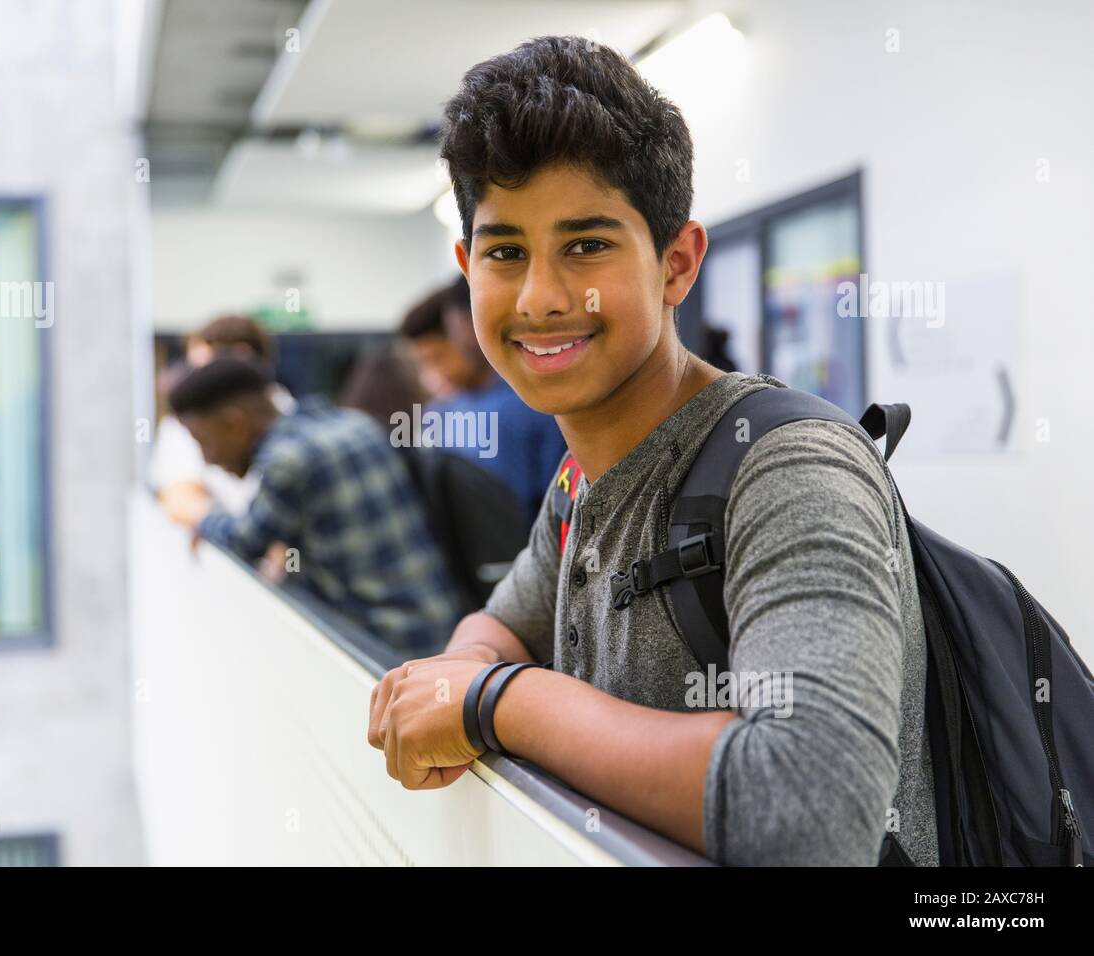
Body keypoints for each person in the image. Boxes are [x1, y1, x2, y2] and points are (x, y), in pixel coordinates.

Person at [367, 36, 938, 867]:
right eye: (505, 253)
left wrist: (497, 703)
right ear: (466, 268)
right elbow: (502, 625)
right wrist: (462, 673)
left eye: (588, 245)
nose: (542, 298)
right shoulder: (579, 483)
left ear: (676, 263)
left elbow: (812, 809)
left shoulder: (788, 471)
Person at [168, 356, 465, 652]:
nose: (207, 459)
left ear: (234, 424)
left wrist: (201, 515)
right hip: (442, 627)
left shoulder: (287, 461)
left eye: (202, 442)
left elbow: (245, 541)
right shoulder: (355, 423)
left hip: (388, 647)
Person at [399, 277, 566, 528]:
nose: (432, 373)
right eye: (422, 364)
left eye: (438, 357)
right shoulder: (440, 411)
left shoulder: (528, 405)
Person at [150, 314, 294, 526]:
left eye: (202, 370)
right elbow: (179, 497)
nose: (193, 383)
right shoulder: (185, 423)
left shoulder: (289, 420)